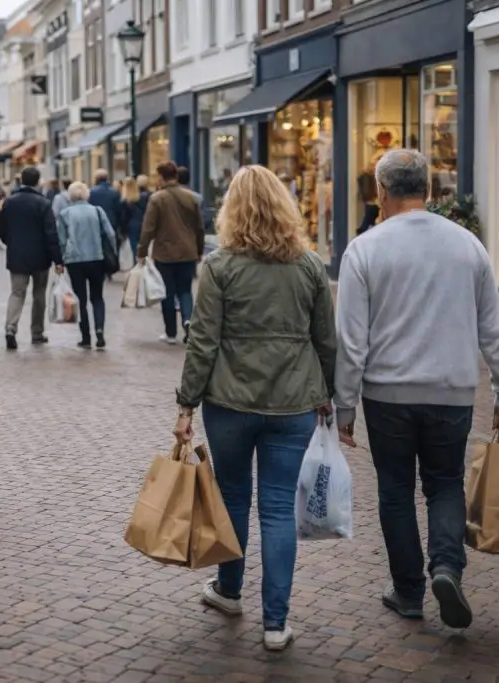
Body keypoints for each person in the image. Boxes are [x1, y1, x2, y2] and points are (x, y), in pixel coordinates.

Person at [334, 149, 499, 630]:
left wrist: (345, 404)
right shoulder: (467, 246)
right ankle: (446, 567)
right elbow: (492, 328)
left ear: (380, 191)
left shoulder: (366, 249)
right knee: (444, 483)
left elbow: (352, 340)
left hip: (388, 395)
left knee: (395, 491)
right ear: (430, 191)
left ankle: (409, 590)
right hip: (452, 390)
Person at [173, 165, 335, 651]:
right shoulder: (309, 265)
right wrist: (329, 395)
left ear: (232, 211)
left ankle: (228, 589)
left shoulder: (220, 267)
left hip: (229, 401)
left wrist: (186, 405)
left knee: (233, 497)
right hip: (293, 403)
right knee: (279, 508)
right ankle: (276, 622)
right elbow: (326, 340)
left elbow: (203, 343)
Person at [138, 161, 205, 344]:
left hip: (165, 253)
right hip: (188, 251)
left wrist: (141, 251)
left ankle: (170, 333)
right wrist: (199, 250)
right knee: (185, 289)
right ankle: (188, 319)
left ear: (161, 177)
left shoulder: (157, 199)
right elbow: (199, 228)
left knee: (167, 292)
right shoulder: (191, 197)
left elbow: (148, 228)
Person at [0, 167, 63, 350]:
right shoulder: (43, 203)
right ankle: (37, 332)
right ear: (37, 181)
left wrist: (11, 243)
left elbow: (2, 230)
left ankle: (11, 328)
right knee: (39, 294)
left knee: (17, 293)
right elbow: (51, 233)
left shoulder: (9, 202)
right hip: (40, 257)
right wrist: (57, 259)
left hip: (17, 256)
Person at [57, 182, 116, 349]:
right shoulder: (97, 211)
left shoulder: (65, 213)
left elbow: (61, 240)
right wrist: (113, 252)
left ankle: (85, 337)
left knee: (80, 299)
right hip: (97, 257)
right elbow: (110, 234)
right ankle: (99, 330)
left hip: (75, 260)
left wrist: (60, 260)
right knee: (97, 297)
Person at [118, 177, 150, 258]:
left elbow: (123, 217)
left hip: (131, 226)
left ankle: (136, 263)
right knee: (143, 246)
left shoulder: (125, 201)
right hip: (142, 223)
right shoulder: (142, 198)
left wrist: (122, 231)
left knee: (134, 248)